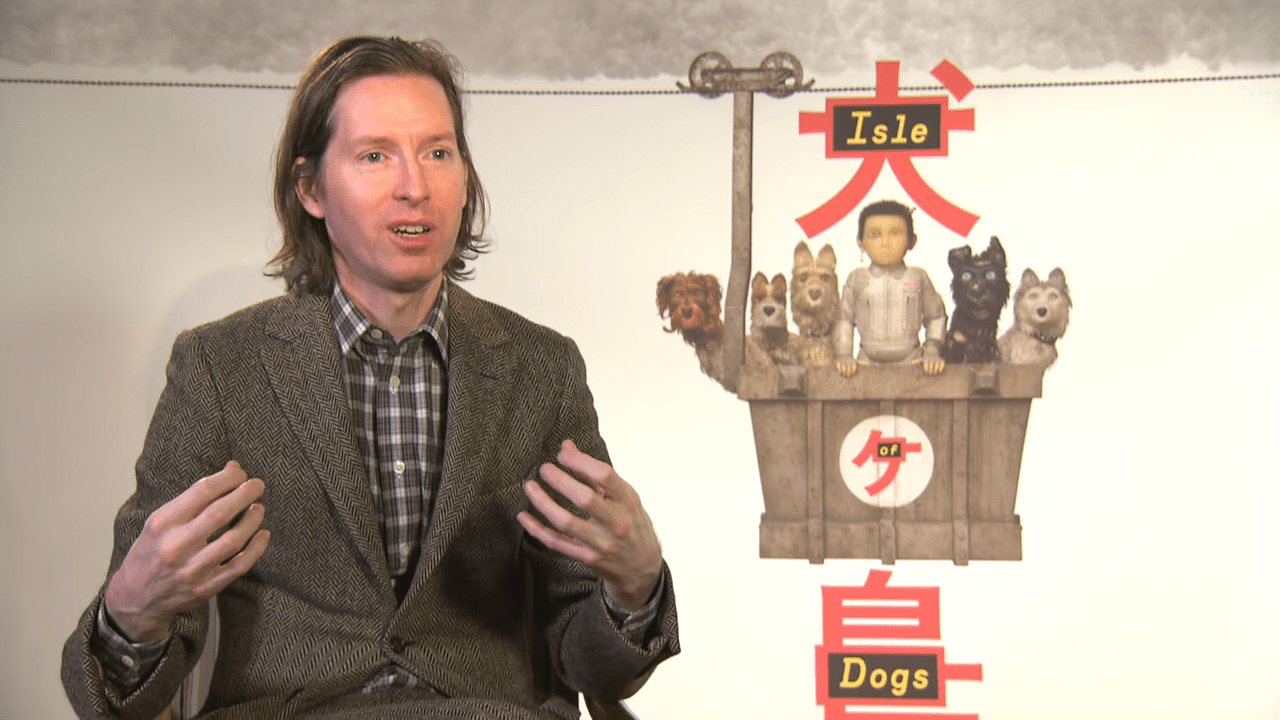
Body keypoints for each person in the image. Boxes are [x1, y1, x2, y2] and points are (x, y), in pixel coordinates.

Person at [62, 35, 679, 720]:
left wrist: (635, 590)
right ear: (310, 189)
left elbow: (594, 669)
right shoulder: (220, 366)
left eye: (438, 153)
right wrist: (130, 616)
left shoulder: (543, 368)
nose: (415, 187)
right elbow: (111, 695)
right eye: (375, 156)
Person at [832, 199, 947, 376]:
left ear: (912, 241)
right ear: (860, 242)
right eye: (875, 234)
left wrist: (932, 348)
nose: (885, 242)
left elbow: (936, 316)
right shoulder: (857, 278)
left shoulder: (918, 277)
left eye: (895, 233)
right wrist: (844, 355)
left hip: (913, 363)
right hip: (865, 365)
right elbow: (844, 320)